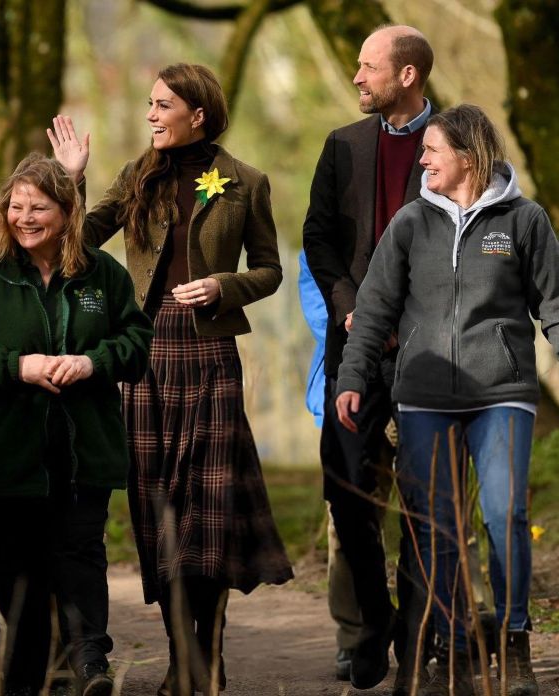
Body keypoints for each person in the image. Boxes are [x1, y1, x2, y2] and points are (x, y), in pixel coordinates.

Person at [48, 62, 293, 696]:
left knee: (206, 516)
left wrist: (223, 285)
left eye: (163, 105)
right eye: (150, 104)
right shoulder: (138, 176)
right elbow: (78, 239)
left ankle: (202, 664)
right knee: (157, 512)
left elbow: (269, 269)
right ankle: (179, 656)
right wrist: (69, 178)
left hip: (209, 356)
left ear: (198, 115)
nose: (151, 115)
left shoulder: (245, 183)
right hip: (142, 355)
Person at [336, 103, 554, 696]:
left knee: (505, 516)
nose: (423, 160)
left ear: (467, 154)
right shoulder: (410, 222)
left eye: (432, 151)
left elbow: (553, 305)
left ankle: (514, 647)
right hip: (423, 396)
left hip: (502, 392)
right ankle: (454, 649)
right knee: (436, 527)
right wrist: (352, 377)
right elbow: (375, 307)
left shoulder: (525, 220)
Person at [0, 154, 153, 696]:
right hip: (1, 455)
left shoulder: (102, 275)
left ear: (67, 213)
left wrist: (93, 362)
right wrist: (16, 366)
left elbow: (137, 344)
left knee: (80, 552)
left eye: (38, 207)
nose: (25, 217)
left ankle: (92, 661)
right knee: (17, 573)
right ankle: (25, 679)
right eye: (16, 206)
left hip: (83, 452)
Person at [302, 23, 435, 693]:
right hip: (353, 344)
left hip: (426, 352)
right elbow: (318, 238)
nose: (356, 77)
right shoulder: (343, 145)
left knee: (425, 496)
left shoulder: (456, 145)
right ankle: (376, 620)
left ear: (406, 75)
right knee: (346, 486)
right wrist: (351, 302)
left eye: (367, 66)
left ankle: (419, 630)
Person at [298, 249, 364, 680]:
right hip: (343, 385)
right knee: (346, 519)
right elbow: (322, 309)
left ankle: (454, 629)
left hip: (417, 381)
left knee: (432, 510)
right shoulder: (324, 230)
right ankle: (353, 637)